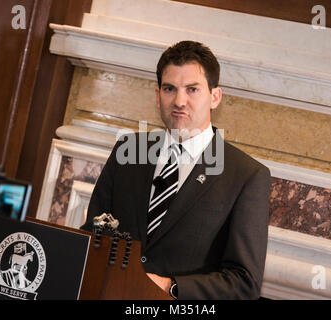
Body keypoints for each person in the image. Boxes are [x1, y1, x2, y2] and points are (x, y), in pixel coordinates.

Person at [81, 41, 271, 300]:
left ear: (215, 97)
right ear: (158, 95)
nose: (179, 101)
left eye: (192, 89)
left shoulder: (246, 176)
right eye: (170, 89)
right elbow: (93, 235)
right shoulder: (128, 151)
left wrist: (170, 286)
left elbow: (244, 283)